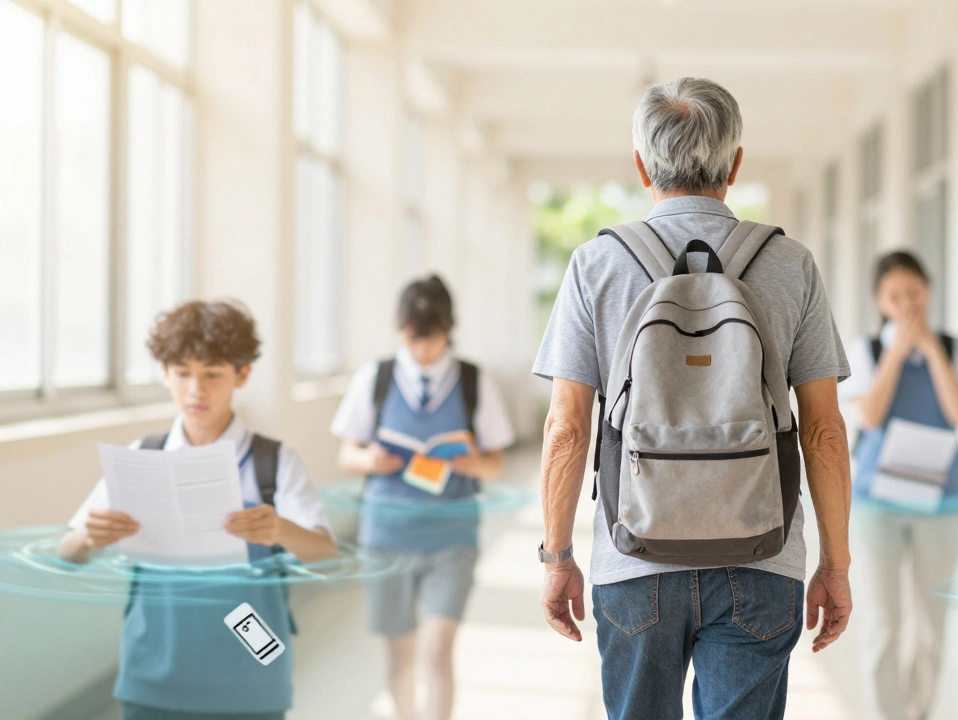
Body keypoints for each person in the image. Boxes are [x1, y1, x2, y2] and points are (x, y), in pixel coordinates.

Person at [533, 76, 853, 720]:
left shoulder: (595, 266)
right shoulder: (791, 264)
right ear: (735, 165)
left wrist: (558, 554)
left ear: (641, 167)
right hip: (763, 553)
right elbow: (822, 432)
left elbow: (567, 430)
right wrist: (835, 566)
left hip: (634, 556)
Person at [58, 300, 337, 720]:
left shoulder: (274, 463)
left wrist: (279, 530)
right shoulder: (141, 458)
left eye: (212, 374)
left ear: (242, 374)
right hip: (154, 673)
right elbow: (69, 552)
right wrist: (90, 536)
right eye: (182, 373)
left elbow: (325, 552)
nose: (196, 390)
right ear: (165, 374)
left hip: (252, 677)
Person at [330, 275, 514, 720]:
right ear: (400, 329)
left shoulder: (473, 380)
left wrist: (474, 462)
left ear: (449, 330)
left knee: (435, 652)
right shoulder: (376, 378)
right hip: (386, 536)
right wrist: (370, 461)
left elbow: (495, 462)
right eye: (414, 340)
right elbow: (345, 455)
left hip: (452, 538)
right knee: (400, 655)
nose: (423, 351)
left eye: (432, 340)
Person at [838, 250, 958, 720]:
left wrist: (931, 349)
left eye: (913, 293)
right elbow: (872, 414)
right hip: (878, 503)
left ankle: (918, 713)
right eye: (894, 296)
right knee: (883, 624)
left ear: (929, 291)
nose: (906, 304)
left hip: (939, 501)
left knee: (930, 624)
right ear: (879, 301)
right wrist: (898, 352)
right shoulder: (867, 349)